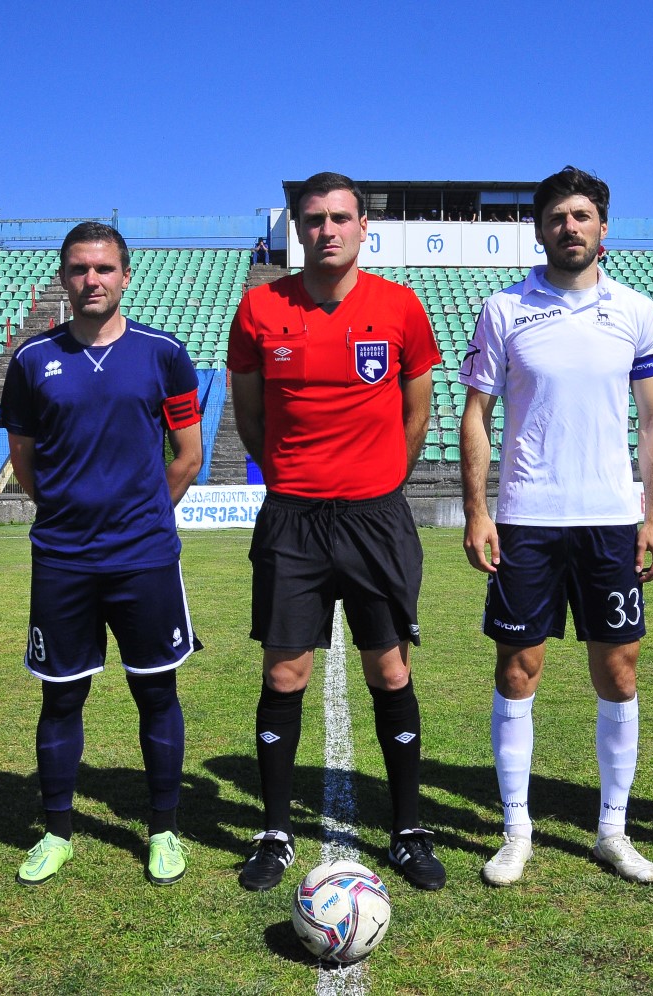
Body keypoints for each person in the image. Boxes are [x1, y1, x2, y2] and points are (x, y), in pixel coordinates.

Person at [228, 172, 444, 892]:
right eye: (315, 219)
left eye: (341, 218)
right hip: (292, 518)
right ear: (298, 228)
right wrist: (291, 477)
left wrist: (379, 480)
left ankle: (408, 829)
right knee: (284, 674)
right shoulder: (260, 307)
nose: (328, 230)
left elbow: (416, 412)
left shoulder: (400, 306)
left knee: (391, 670)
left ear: (362, 228)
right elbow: (251, 417)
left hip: (375, 517)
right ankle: (274, 831)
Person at [459, 166, 653, 886]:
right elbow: (477, 416)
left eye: (582, 216)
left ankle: (613, 830)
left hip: (610, 522)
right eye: (557, 217)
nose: (569, 227)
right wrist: (479, 510)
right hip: (527, 521)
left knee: (620, 669)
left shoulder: (636, 310)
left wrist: (652, 517)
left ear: (603, 228)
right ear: (540, 229)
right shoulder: (504, 309)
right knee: (518, 669)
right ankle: (516, 830)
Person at [0, 222, 204, 886]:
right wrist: (68, 511)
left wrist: (141, 515)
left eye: (104, 268)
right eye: (80, 269)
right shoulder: (33, 360)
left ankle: (164, 830)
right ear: (64, 277)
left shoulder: (163, 353)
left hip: (145, 556)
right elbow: (23, 459)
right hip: (63, 559)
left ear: (125, 276)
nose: (92, 280)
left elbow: (188, 455)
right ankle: (56, 832)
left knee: (157, 691)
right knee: (61, 697)